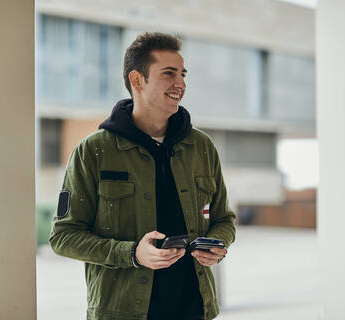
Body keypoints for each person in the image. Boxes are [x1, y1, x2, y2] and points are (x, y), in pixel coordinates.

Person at [49, 32, 236, 320]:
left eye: (183, 74)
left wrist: (217, 244)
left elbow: (225, 220)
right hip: (122, 312)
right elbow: (64, 237)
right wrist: (133, 253)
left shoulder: (202, 147)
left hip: (194, 310)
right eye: (169, 73)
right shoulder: (93, 150)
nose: (181, 84)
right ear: (137, 80)